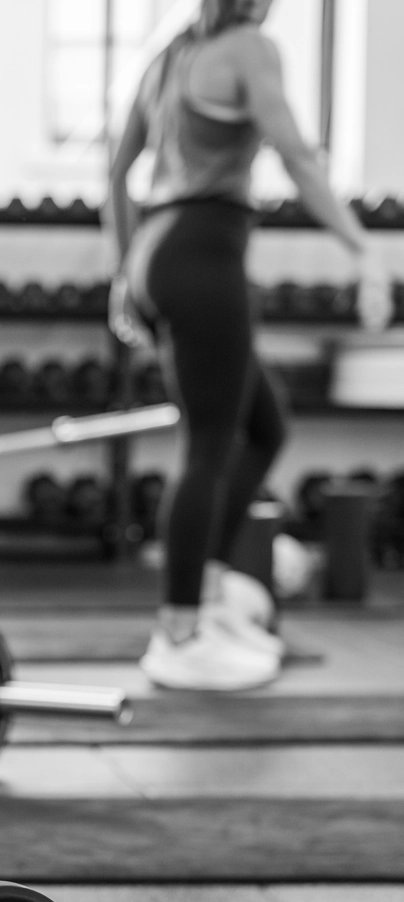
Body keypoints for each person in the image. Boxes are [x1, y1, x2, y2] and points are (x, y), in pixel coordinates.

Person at [108, 0, 392, 690]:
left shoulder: (167, 53)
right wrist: (364, 251)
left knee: (264, 425)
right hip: (203, 251)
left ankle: (204, 588)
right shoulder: (249, 49)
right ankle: (178, 633)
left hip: (156, 248)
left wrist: (124, 271)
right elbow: (295, 154)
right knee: (208, 444)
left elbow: (117, 172)